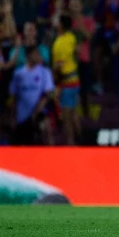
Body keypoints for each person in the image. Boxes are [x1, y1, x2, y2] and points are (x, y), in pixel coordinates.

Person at [9, 46, 54, 145]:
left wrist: (36, 113)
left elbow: (48, 95)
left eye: (38, 54)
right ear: (28, 56)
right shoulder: (18, 74)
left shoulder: (45, 72)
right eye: (35, 54)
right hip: (21, 117)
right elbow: (14, 97)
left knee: (45, 138)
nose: (38, 56)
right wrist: (12, 116)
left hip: (38, 116)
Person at [52, 15, 80, 145]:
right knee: (74, 113)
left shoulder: (59, 43)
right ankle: (81, 139)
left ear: (61, 25)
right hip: (75, 81)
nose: (54, 21)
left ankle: (71, 143)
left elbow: (59, 65)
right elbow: (76, 52)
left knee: (67, 116)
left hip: (67, 83)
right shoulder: (71, 37)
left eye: (56, 20)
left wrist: (53, 72)